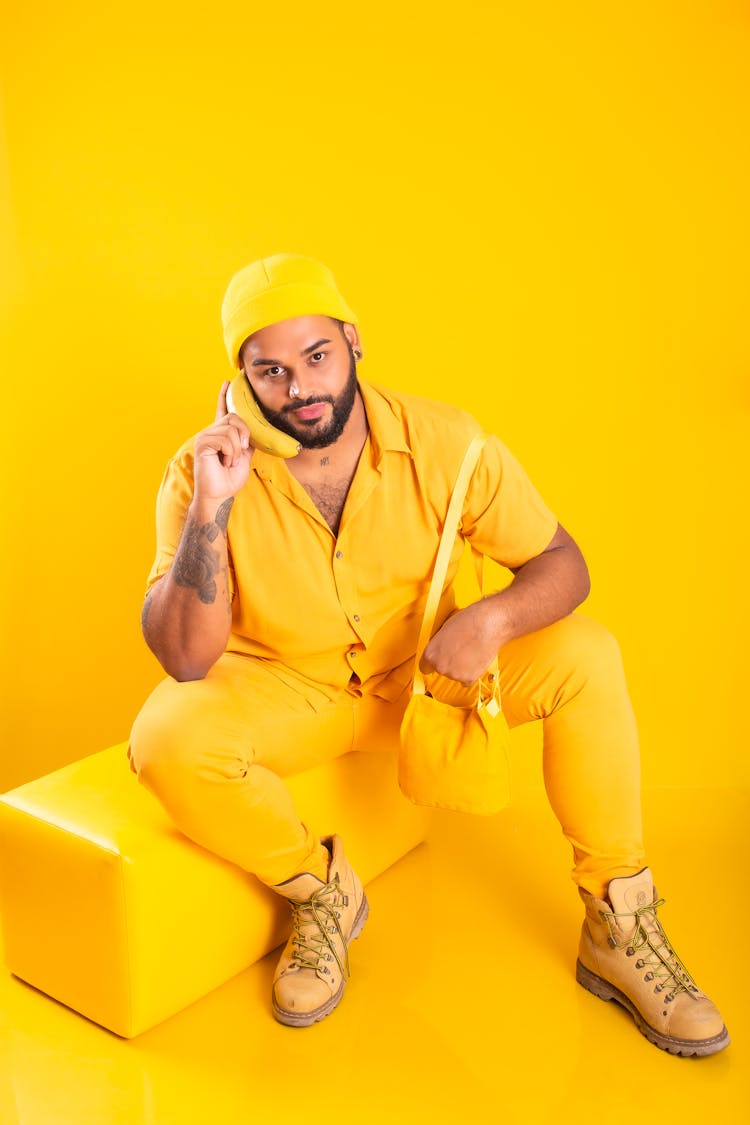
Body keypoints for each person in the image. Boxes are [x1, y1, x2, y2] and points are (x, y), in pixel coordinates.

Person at [128, 253, 728, 1053]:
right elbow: (186, 657)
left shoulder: (449, 444)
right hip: (289, 692)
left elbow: (564, 564)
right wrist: (211, 507)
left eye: (316, 357)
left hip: (434, 681)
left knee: (588, 654)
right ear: (240, 381)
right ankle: (321, 891)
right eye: (270, 371)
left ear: (353, 340)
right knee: (166, 734)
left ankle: (618, 922)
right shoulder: (201, 474)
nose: (300, 387)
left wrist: (490, 622)